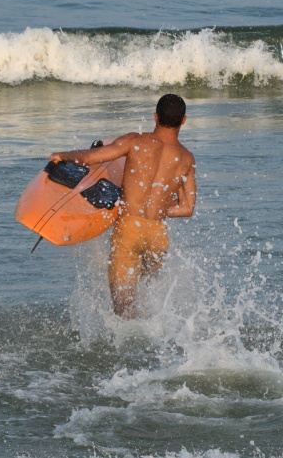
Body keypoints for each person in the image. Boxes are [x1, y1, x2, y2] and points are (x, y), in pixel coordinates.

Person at [49, 94, 197, 318]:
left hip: (129, 229)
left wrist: (62, 155)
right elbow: (187, 208)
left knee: (123, 309)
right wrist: (157, 208)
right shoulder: (186, 159)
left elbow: (89, 158)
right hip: (158, 235)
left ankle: (128, 339)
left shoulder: (135, 141)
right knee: (147, 302)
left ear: (155, 117)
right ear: (183, 120)